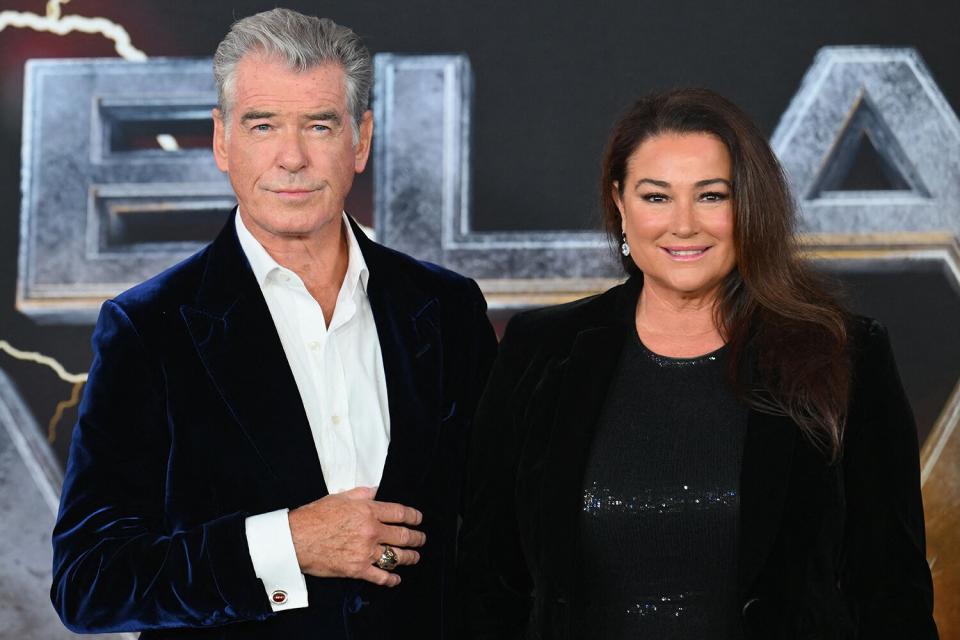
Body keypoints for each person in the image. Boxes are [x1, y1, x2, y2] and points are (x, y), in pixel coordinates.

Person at [50, 8, 497, 639]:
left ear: (360, 140)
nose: (292, 158)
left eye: (319, 124)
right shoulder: (150, 328)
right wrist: (283, 543)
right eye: (263, 125)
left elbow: (498, 538)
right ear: (222, 140)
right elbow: (89, 582)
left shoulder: (446, 308)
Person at [457, 88, 938, 639]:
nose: (683, 225)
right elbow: (487, 583)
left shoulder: (842, 354)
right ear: (620, 203)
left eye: (711, 196)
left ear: (749, 204)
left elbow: (890, 591)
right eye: (656, 197)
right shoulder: (542, 350)